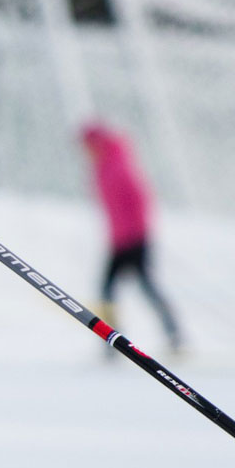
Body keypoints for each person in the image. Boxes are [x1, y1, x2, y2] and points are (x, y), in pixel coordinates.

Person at [81, 121, 183, 352]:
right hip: (119, 241)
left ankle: (173, 333)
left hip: (134, 240)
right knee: (108, 289)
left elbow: (141, 200)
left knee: (145, 287)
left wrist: (135, 233)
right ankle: (111, 339)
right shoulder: (103, 168)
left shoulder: (117, 166)